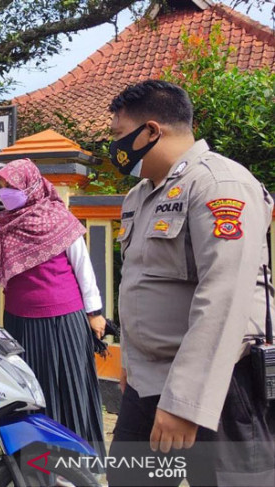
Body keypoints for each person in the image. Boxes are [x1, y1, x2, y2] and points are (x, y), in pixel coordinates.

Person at [106, 80, 275, 486]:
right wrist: (130, 360)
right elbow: (141, 284)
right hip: (146, 382)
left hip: (218, 384)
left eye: (116, 135)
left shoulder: (220, 185)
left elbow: (224, 297)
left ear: (150, 131)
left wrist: (186, 402)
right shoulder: (139, 195)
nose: (113, 148)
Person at [0, 158, 106, 456]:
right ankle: (36, 457)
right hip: (20, 323)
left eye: (10, 187)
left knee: (69, 386)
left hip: (64, 321)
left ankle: (77, 458)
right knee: (31, 390)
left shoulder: (59, 219)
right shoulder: (0, 225)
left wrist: (95, 313)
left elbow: (83, 268)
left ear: (30, 186)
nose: (4, 194)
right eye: (0, 188)